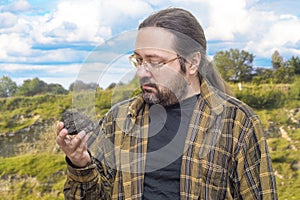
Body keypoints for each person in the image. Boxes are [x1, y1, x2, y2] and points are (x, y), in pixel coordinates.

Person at [56, 8, 278, 200]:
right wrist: (80, 164)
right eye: (139, 60)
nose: (142, 72)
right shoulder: (119, 119)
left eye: (155, 62)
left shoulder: (237, 122)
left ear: (191, 63)